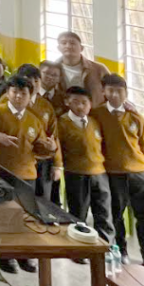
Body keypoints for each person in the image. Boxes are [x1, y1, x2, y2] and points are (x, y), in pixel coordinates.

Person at [0, 76, 56, 274]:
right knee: (3, 215)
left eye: (23, 93)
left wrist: (50, 148)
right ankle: (5, 256)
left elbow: (39, 148)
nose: (18, 97)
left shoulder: (34, 119)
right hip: (0, 172)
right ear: (8, 93)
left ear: (30, 96)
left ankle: (24, 254)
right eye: (14, 92)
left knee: (26, 216)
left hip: (26, 174)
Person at [93, 74, 144, 271]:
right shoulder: (96, 114)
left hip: (140, 173)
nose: (114, 95)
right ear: (103, 92)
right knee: (115, 215)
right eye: (110, 90)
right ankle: (121, 251)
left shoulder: (135, 116)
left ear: (126, 93)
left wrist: (138, 166)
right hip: (113, 173)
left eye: (119, 91)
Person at [56, 86, 113, 251]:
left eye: (84, 103)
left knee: (103, 212)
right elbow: (58, 149)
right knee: (78, 214)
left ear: (90, 104)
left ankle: (105, 248)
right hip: (76, 174)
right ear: (67, 102)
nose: (80, 106)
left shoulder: (94, 122)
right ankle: (79, 250)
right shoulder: (62, 123)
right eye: (76, 102)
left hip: (99, 173)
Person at [56, 32, 109, 106]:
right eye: (64, 43)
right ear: (58, 48)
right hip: (63, 112)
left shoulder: (98, 69)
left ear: (81, 48)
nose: (68, 46)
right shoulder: (52, 70)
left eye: (72, 43)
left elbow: (112, 90)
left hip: (95, 111)